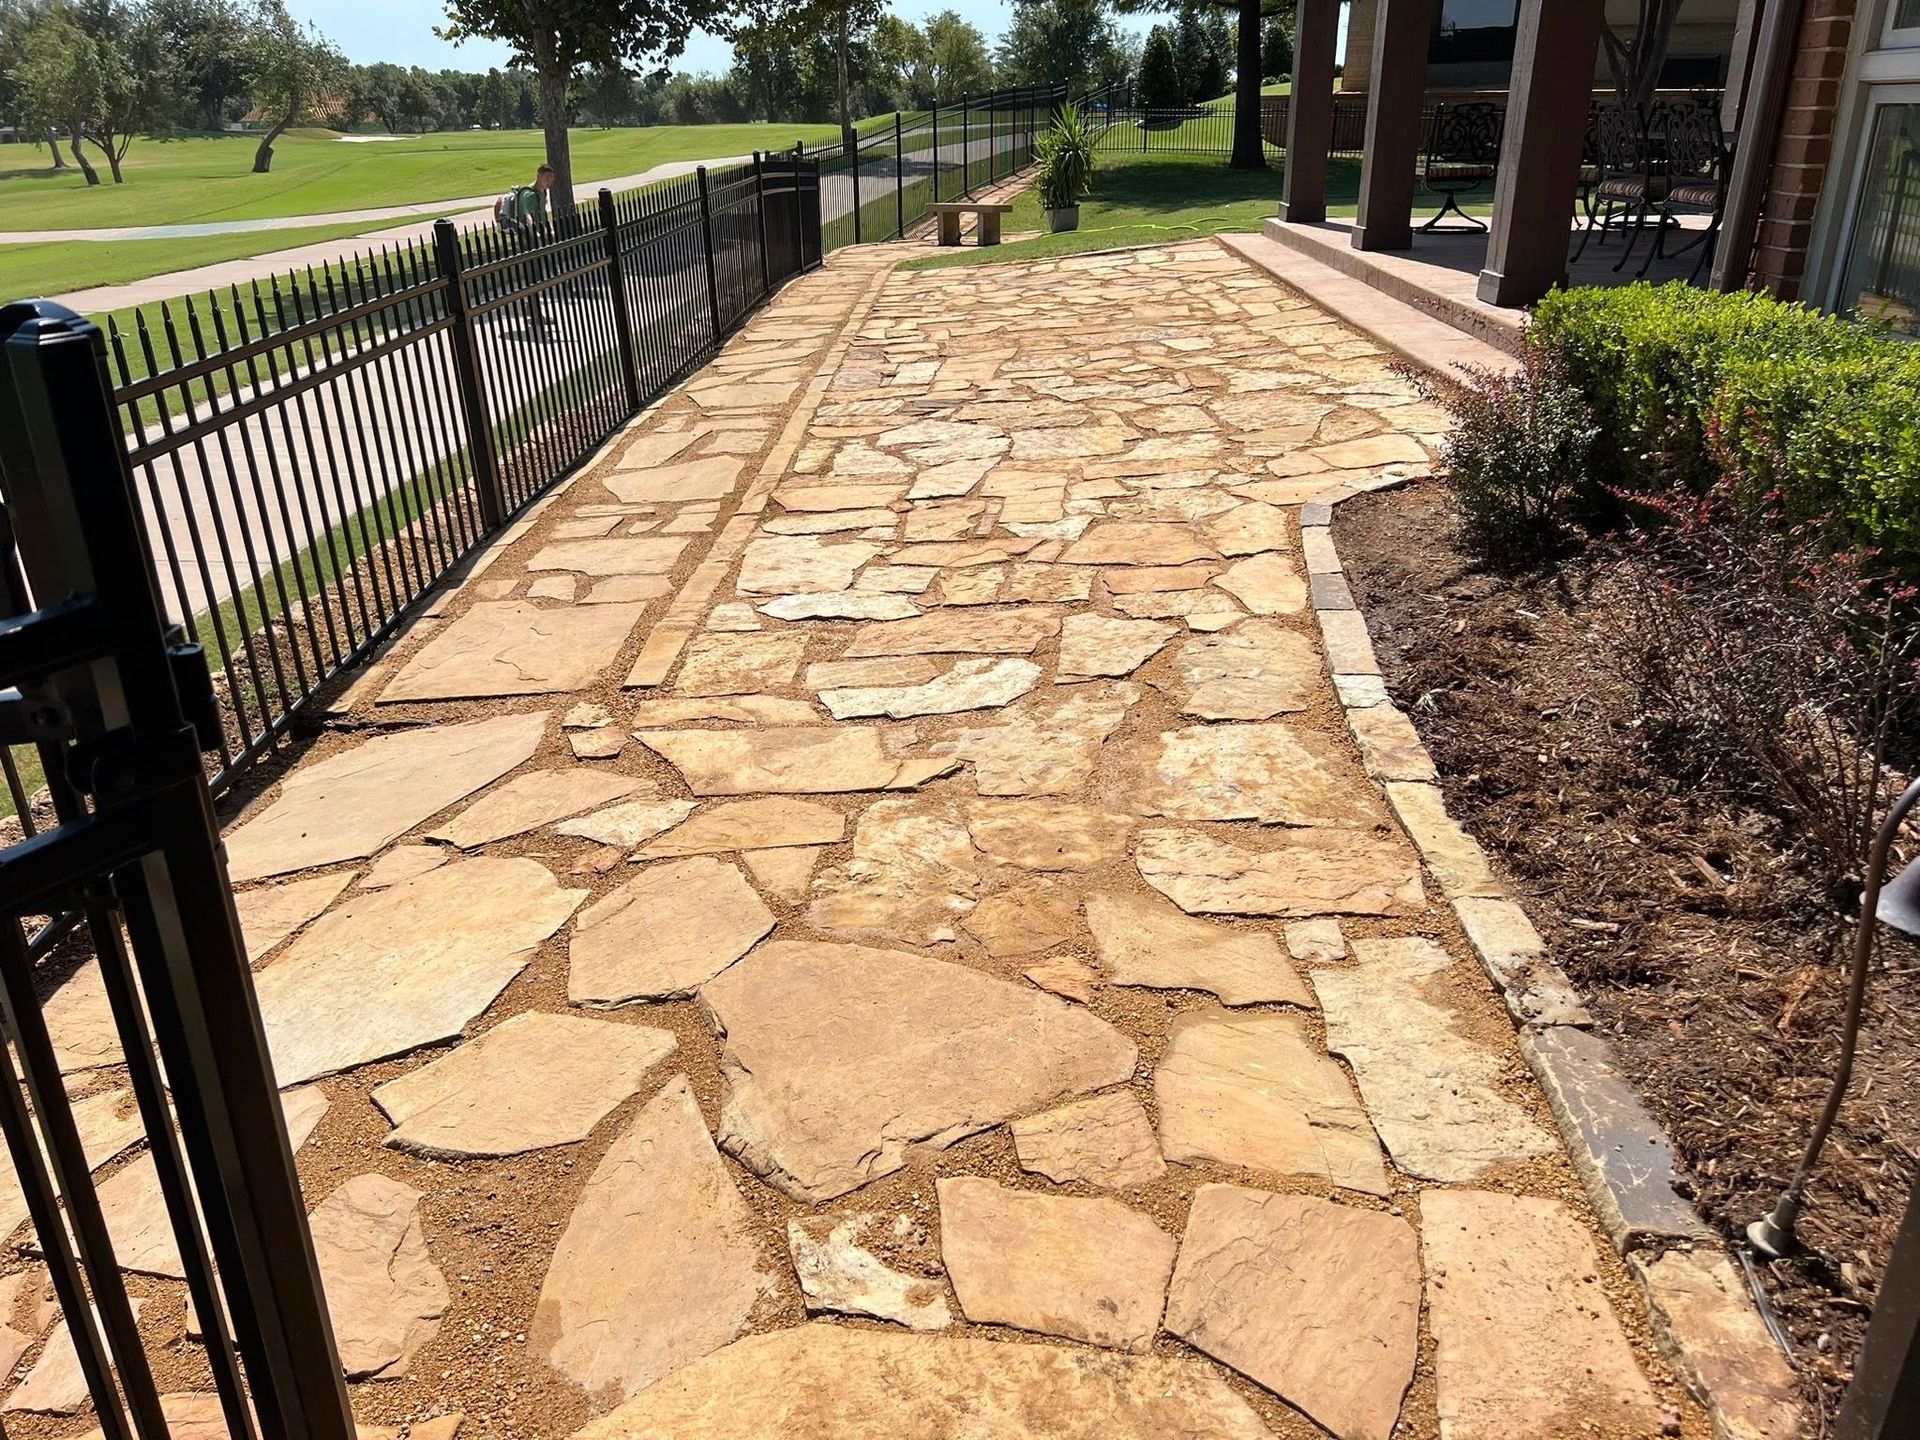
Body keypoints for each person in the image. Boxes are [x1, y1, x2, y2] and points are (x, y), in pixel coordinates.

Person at [494, 163, 556, 338]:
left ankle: (534, 310)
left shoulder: (542, 193)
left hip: (537, 238)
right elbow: (528, 215)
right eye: (546, 178)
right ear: (538, 176)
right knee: (533, 276)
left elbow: (542, 212)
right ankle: (535, 312)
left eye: (551, 179)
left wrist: (548, 229)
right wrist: (534, 231)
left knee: (537, 276)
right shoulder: (529, 194)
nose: (549, 182)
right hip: (528, 239)